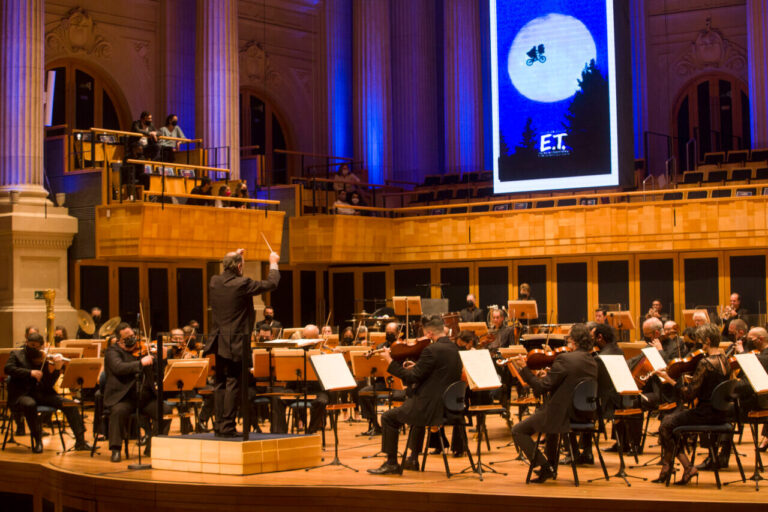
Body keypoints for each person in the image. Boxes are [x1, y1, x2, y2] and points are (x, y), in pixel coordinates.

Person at [368, 316, 463, 475]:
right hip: (449, 407)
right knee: (414, 415)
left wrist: (389, 361)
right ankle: (412, 459)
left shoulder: (431, 350)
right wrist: (418, 366)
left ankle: (391, 464)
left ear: (430, 333)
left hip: (430, 408)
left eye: (426, 335)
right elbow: (438, 373)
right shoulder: (454, 349)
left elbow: (411, 378)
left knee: (388, 418)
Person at [204, 248, 280, 437]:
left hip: (218, 340)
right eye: (242, 265)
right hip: (236, 341)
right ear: (239, 266)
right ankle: (228, 426)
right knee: (233, 383)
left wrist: (236, 258)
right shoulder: (242, 283)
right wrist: (273, 262)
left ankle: (220, 425)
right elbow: (271, 283)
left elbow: (230, 276)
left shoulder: (214, 281)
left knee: (220, 383)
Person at [509, 324, 598, 483]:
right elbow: (569, 382)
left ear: (574, 340)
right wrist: (549, 375)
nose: (567, 340)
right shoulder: (592, 361)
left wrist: (525, 369)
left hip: (561, 414)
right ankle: (550, 467)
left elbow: (541, 388)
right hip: (583, 414)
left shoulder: (565, 358)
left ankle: (544, 467)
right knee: (550, 427)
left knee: (518, 430)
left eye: (568, 337)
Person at [653, 323, 732, 485]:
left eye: (701, 341)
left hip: (706, 415)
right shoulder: (725, 359)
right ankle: (667, 468)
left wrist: (669, 380)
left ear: (708, 341)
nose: (699, 344)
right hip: (722, 414)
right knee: (673, 422)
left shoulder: (705, 363)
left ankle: (687, 467)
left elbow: (688, 395)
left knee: (666, 424)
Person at [4, 333, 90, 453]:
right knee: (30, 405)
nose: (35, 349)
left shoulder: (42, 357)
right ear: (27, 343)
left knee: (70, 404)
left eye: (38, 346)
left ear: (42, 346)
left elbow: (48, 383)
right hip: (22, 395)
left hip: (42, 394)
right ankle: (38, 441)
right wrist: (30, 372)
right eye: (32, 345)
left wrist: (57, 368)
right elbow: (8, 368)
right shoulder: (17, 354)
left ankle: (81, 441)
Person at [103, 323, 169, 462]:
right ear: (119, 340)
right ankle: (116, 449)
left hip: (144, 398)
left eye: (133, 336)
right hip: (123, 398)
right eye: (127, 337)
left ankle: (152, 445)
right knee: (118, 412)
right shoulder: (112, 352)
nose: (132, 339)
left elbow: (157, 372)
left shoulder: (143, 350)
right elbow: (118, 368)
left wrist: (162, 359)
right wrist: (140, 363)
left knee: (165, 410)